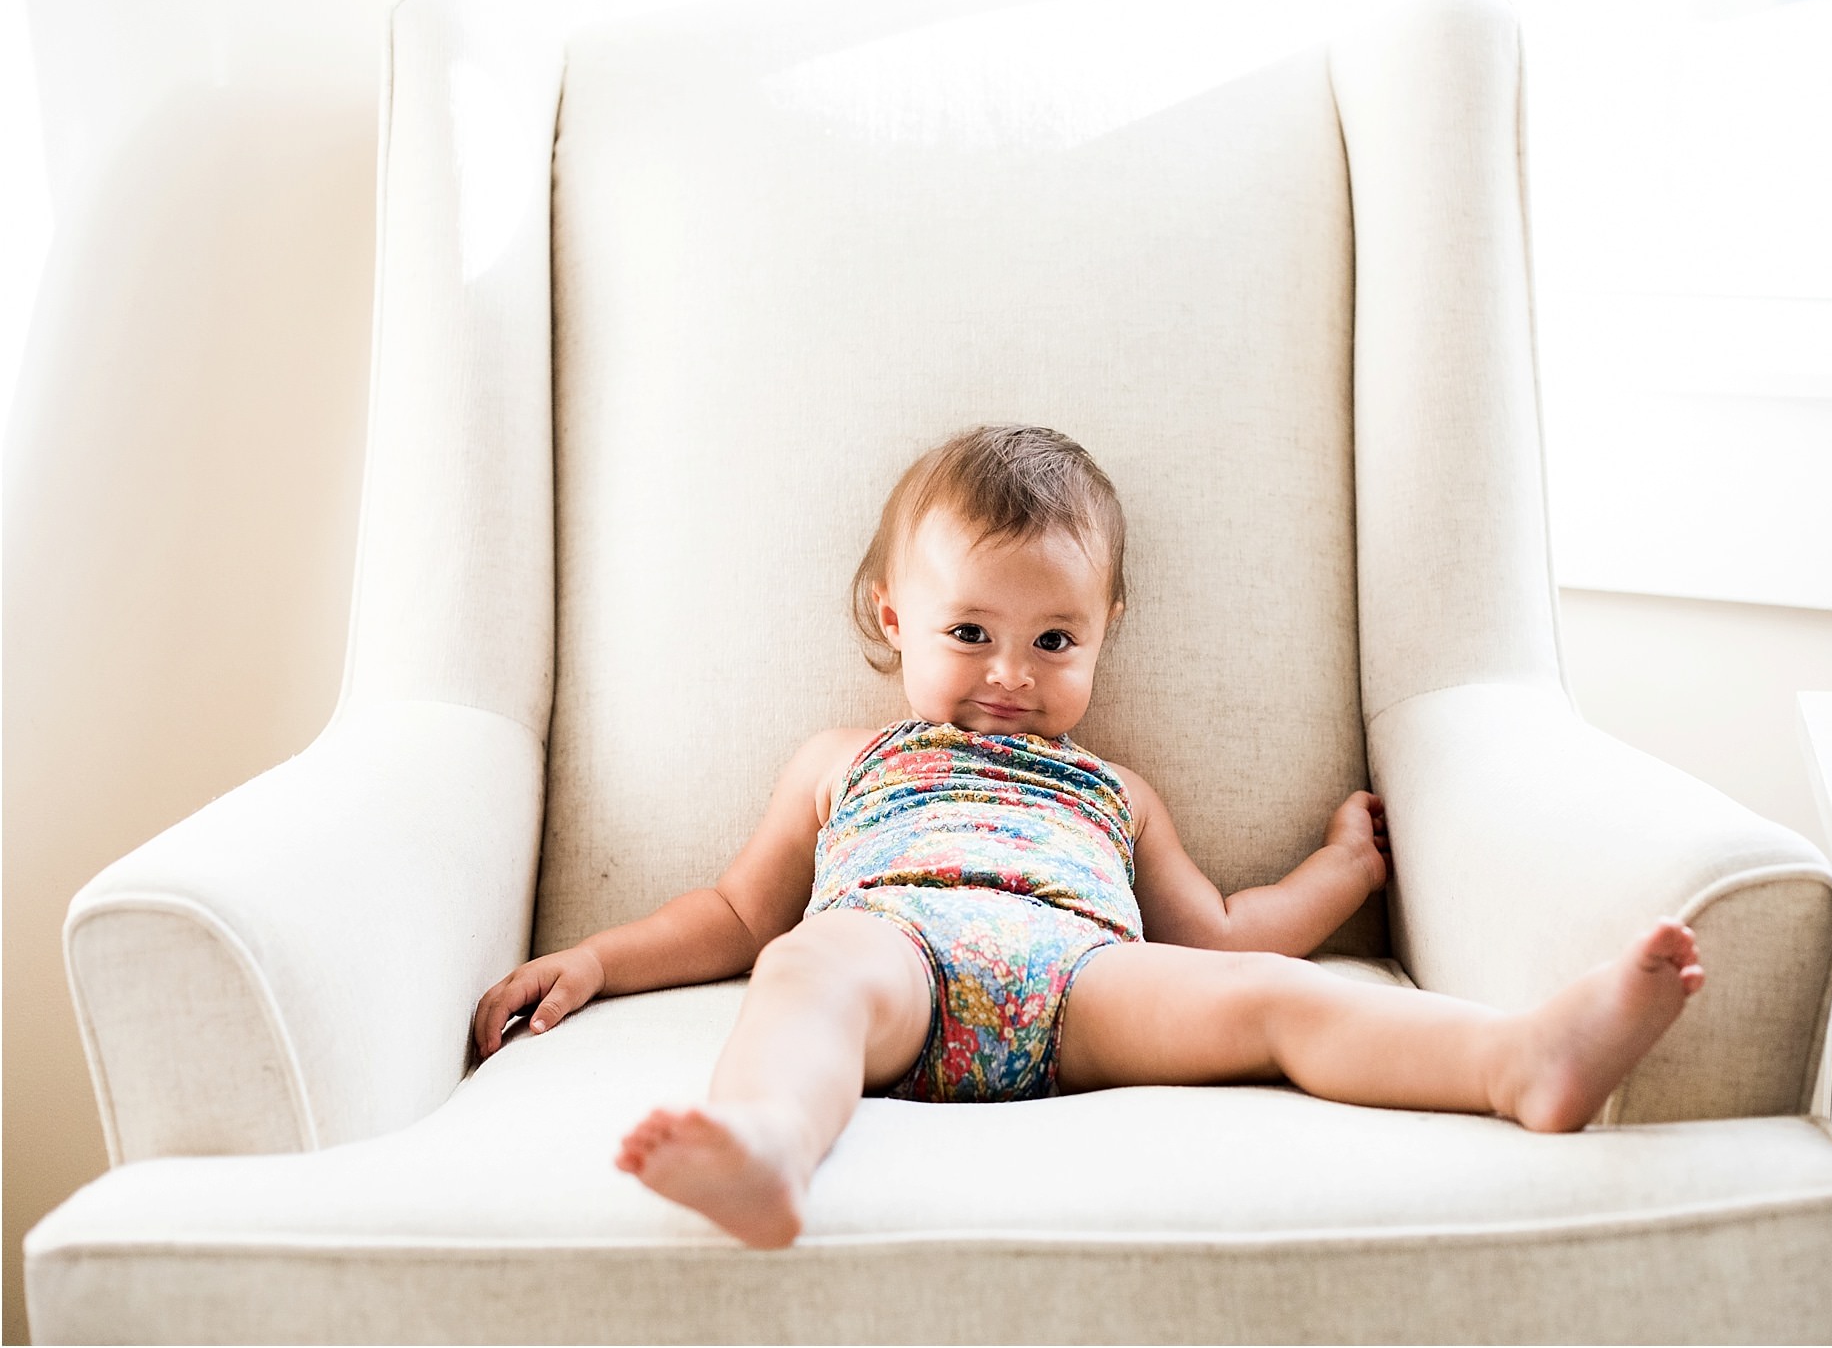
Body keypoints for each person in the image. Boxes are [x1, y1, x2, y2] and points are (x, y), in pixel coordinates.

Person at [470, 424, 1706, 1250]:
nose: (1008, 672)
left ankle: (1518, 1059)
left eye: (1053, 639)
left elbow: (1219, 933)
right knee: (804, 965)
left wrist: (1341, 868)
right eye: (968, 632)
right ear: (893, 616)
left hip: (1079, 978)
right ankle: (768, 1144)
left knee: (1275, 997)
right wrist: (596, 956)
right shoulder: (845, 759)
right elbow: (739, 915)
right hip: (899, 950)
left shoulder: (1116, 788)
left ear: (1104, 628)